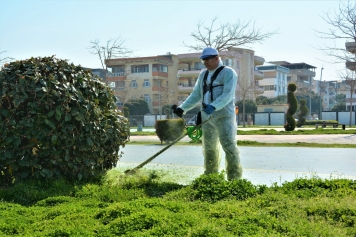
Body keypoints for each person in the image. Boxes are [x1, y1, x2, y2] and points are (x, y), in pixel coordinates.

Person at [172, 47, 242, 180]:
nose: (205, 63)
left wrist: (214, 106)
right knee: (209, 148)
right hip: (207, 118)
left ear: (216, 58)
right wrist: (182, 108)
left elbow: (228, 95)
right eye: (203, 60)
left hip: (224, 116)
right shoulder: (203, 74)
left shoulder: (228, 73)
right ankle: (211, 177)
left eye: (208, 60)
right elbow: (196, 94)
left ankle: (235, 178)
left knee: (229, 146)